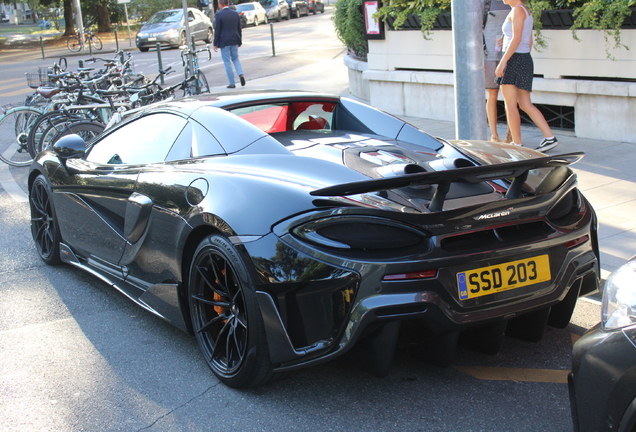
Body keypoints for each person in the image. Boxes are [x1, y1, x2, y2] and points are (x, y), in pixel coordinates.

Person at [495, 0, 559, 151]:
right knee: (525, 104)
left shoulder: (517, 10)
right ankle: (549, 137)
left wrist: (503, 61)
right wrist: (505, 41)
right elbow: (527, 41)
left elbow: (517, 39)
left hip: (513, 59)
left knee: (510, 105)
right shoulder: (526, 11)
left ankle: (517, 143)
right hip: (523, 58)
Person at [482, 0, 508, 142]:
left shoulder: (514, 3)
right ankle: (494, 135)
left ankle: (511, 134)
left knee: (511, 96)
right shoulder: (485, 2)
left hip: (509, 54)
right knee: (492, 94)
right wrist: (480, 58)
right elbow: (475, 29)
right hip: (489, 55)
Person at [214, 0, 246, 89]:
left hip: (224, 41)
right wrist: (239, 41)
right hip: (234, 39)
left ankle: (232, 83)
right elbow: (239, 28)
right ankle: (241, 74)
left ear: (220, 4)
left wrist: (215, 43)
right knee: (235, 58)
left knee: (227, 62)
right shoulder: (235, 14)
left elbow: (217, 30)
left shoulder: (219, 15)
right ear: (228, 4)